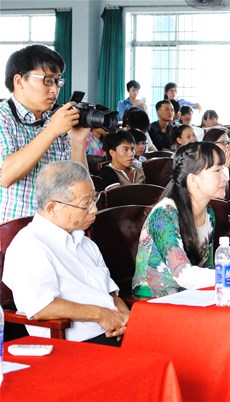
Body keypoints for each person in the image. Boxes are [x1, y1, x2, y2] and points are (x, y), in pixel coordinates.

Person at [3, 161, 129, 345]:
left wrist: (126, 318)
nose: (94, 210)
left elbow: (111, 295)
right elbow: (42, 307)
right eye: (85, 204)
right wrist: (101, 315)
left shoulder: (84, 242)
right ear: (53, 208)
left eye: (94, 200)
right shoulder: (29, 246)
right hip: (78, 344)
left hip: (113, 332)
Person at [132, 142, 230, 297]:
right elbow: (184, 275)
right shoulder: (164, 213)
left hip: (191, 294)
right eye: (217, 171)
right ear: (193, 180)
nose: (224, 177)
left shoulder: (208, 213)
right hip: (154, 297)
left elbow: (208, 268)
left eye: (223, 170)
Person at [0, 44, 89, 224]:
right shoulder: (4, 117)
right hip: (15, 230)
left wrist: (77, 142)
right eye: (48, 81)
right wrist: (51, 130)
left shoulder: (54, 120)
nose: (55, 90)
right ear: (19, 81)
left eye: (58, 82)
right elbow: (6, 176)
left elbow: (79, 184)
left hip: (56, 228)